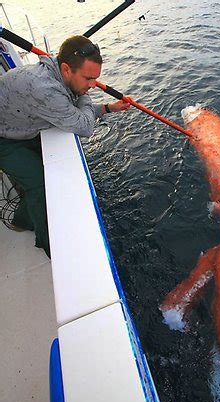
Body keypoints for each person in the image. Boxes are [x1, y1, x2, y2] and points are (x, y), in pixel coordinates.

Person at [0, 35, 130, 258]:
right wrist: (86, 98)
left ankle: (22, 218)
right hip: (4, 139)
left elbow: (72, 111)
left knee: (48, 174)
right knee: (40, 183)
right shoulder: (45, 88)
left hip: (20, 126)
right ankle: (50, 245)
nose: (93, 85)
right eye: (89, 78)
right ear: (66, 69)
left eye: (95, 79)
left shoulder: (56, 75)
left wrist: (108, 108)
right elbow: (84, 126)